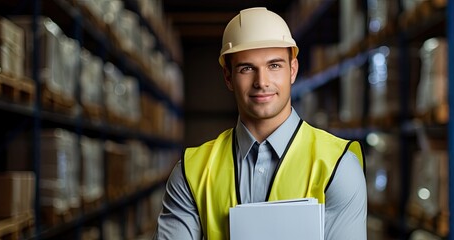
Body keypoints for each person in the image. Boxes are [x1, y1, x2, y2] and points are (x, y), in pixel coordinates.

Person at [154, 7, 367, 240]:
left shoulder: (338, 166)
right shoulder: (191, 171)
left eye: (274, 65)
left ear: (293, 70)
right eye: (247, 68)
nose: (262, 82)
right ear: (228, 77)